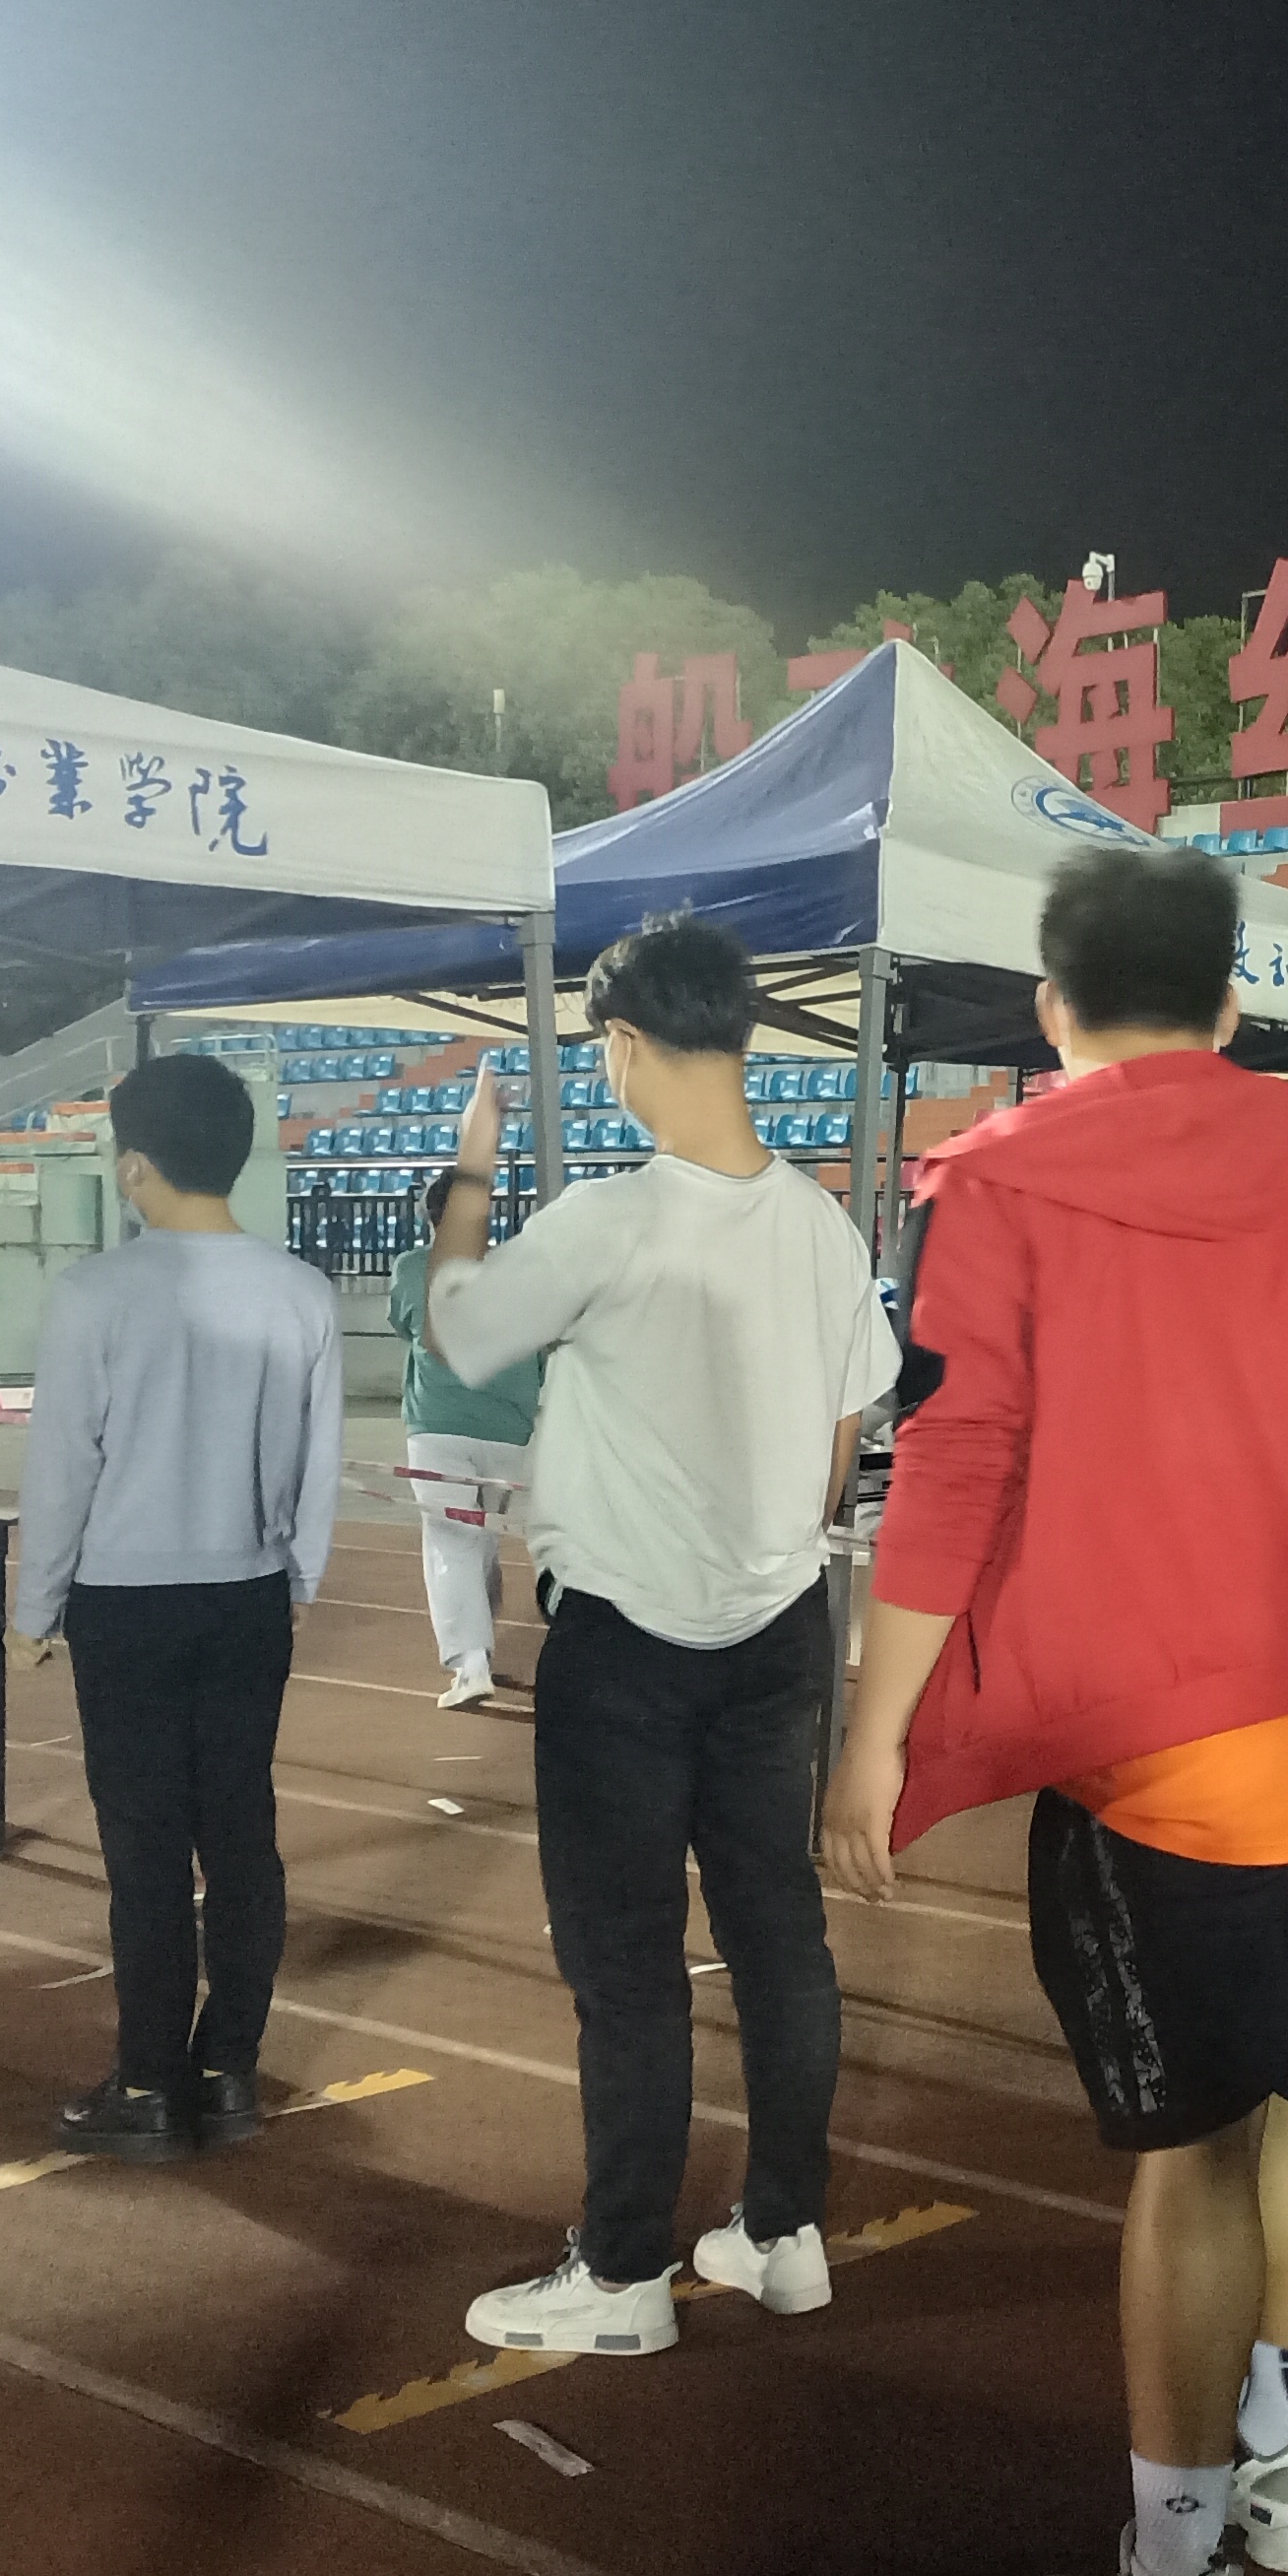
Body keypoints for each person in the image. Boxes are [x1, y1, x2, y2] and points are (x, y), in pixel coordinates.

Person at [822, 846, 1288, 2576]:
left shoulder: (1002, 1177)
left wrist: (877, 1732)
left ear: (1053, 1006)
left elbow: (955, 1460)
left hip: (1157, 1752)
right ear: (1230, 1003)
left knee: (1189, 2159)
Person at [439, 916, 890, 2360]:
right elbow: (843, 1443)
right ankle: (782, 2233)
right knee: (779, 1936)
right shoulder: (822, 1226)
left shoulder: (607, 1220)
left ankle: (624, 2271)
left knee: (628, 1962)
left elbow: (460, 1334)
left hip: (625, 1647)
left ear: (624, 1045)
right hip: (780, 1629)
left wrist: (468, 1178)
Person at [14, 1054, 342, 2162]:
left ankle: (149, 2082)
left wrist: (35, 1605)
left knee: (145, 1847)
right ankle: (228, 2068)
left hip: (125, 1600)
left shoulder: (96, 1294)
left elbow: (66, 1463)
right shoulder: (300, 1290)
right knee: (242, 1833)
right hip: (247, 1592)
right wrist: (298, 1578)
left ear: (135, 1166)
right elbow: (317, 1462)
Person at [387, 1174, 545, 1712]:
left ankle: (470, 1662)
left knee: (451, 1539)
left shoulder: (416, 1267)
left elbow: (405, 1322)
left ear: (430, 1218)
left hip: (439, 1421)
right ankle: (480, 1634)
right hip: (509, 1427)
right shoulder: (517, 1275)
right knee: (481, 1534)